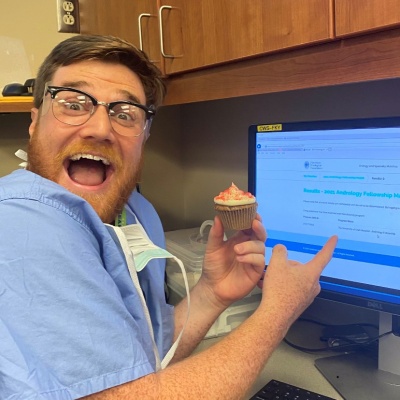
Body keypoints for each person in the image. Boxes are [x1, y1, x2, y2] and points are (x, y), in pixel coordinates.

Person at [0, 34, 337, 399]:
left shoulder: (136, 213)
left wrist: (212, 292)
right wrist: (279, 309)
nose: (99, 129)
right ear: (34, 121)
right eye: (73, 103)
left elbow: (146, 357)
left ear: (144, 135)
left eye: (124, 114)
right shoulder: (21, 223)